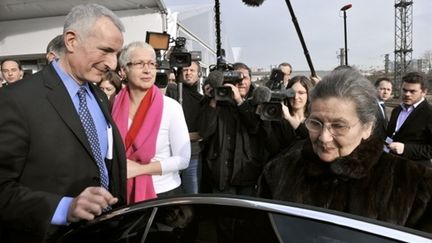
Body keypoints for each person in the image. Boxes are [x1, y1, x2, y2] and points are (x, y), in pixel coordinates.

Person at [0, 4, 127, 242]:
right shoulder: (15, 99)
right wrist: (63, 208)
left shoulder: (100, 96)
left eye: (117, 54)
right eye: (105, 50)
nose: (112, 63)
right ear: (71, 41)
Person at [258, 68, 432, 232]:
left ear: (367, 128)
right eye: (315, 123)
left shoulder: (415, 185)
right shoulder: (280, 170)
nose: (324, 137)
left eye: (339, 126)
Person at [112, 41, 190, 203]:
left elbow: (183, 159)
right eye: (139, 64)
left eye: (152, 64)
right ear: (123, 71)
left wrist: (139, 170)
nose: (147, 70)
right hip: (120, 191)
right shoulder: (112, 105)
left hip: (164, 194)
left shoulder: (171, 107)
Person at [386, 72, 432, 167]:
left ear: (424, 92)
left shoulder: (429, 113)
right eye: (404, 90)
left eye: (412, 91)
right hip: (393, 168)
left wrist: (405, 149)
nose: (407, 94)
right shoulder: (396, 110)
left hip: (417, 172)